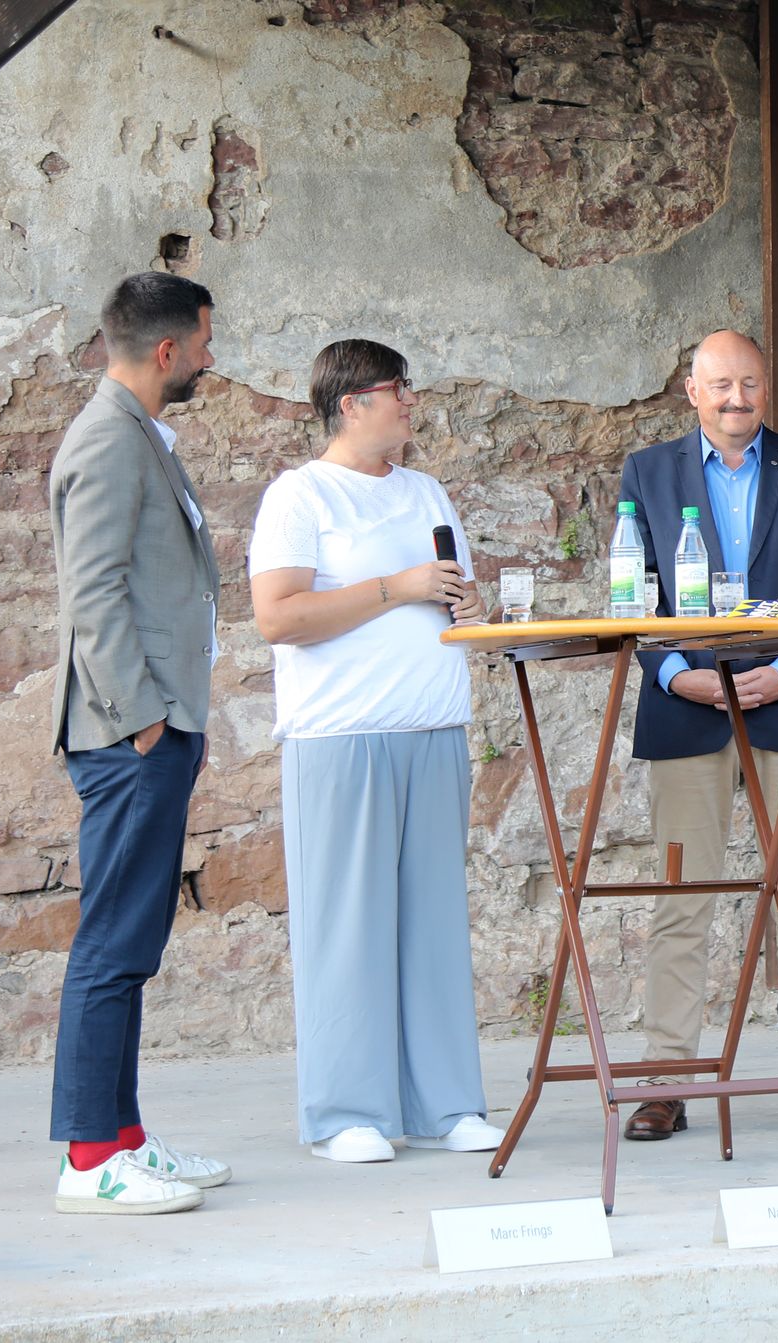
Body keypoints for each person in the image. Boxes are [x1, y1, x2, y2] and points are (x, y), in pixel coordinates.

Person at [615, 329, 778, 1141]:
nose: (738, 398)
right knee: (681, 900)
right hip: (685, 706)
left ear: (767, 388)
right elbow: (633, 596)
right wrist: (674, 674)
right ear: (692, 391)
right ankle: (666, 1080)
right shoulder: (647, 472)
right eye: (721, 385)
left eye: (751, 384)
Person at [247, 339, 505, 1163]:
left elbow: (454, 594)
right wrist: (400, 586)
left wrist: (468, 604)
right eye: (400, 389)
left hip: (432, 729)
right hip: (341, 736)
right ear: (353, 402)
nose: (411, 402)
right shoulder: (300, 496)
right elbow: (279, 616)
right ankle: (345, 1112)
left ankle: (446, 1104)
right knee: (346, 927)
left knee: (434, 926)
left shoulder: (426, 491)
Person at [47, 272, 232, 1213]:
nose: (209, 356)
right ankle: (89, 1160)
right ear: (167, 350)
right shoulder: (109, 440)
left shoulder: (135, 433)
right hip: (132, 734)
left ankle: (121, 1137)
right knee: (113, 942)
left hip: (155, 728)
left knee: (134, 938)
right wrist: (142, 718)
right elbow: (92, 593)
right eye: (203, 341)